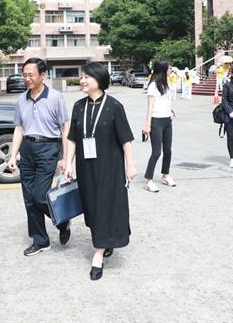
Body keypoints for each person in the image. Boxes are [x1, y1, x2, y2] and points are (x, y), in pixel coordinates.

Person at [64, 63, 137, 281]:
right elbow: (72, 138)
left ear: (99, 79)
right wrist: (68, 163)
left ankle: (98, 254)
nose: (82, 80)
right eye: (81, 77)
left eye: (87, 77)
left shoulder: (114, 106)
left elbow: (126, 139)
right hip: (86, 167)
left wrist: (130, 165)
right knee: (92, 206)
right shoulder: (78, 106)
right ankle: (105, 241)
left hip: (110, 166)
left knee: (105, 205)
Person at [8, 58, 71, 256]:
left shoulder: (55, 97)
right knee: (29, 199)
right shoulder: (21, 99)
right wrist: (13, 155)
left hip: (48, 148)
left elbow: (65, 129)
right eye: (24, 75)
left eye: (31, 75)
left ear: (43, 75)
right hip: (27, 149)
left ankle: (62, 220)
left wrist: (66, 158)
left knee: (39, 196)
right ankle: (40, 240)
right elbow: (19, 128)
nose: (27, 79)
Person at [143, 60, 176, 192]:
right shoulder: (153, 86)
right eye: (169, 68)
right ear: (163, 70)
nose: (171, 70)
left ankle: (165, 175)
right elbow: (150, 107)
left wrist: (171, 112)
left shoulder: (166, 84)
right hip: (156, 121)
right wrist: (147, 125)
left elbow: (167, 102)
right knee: (156, 152)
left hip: (167, 120)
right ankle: (148, 180)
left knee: (168, 151)